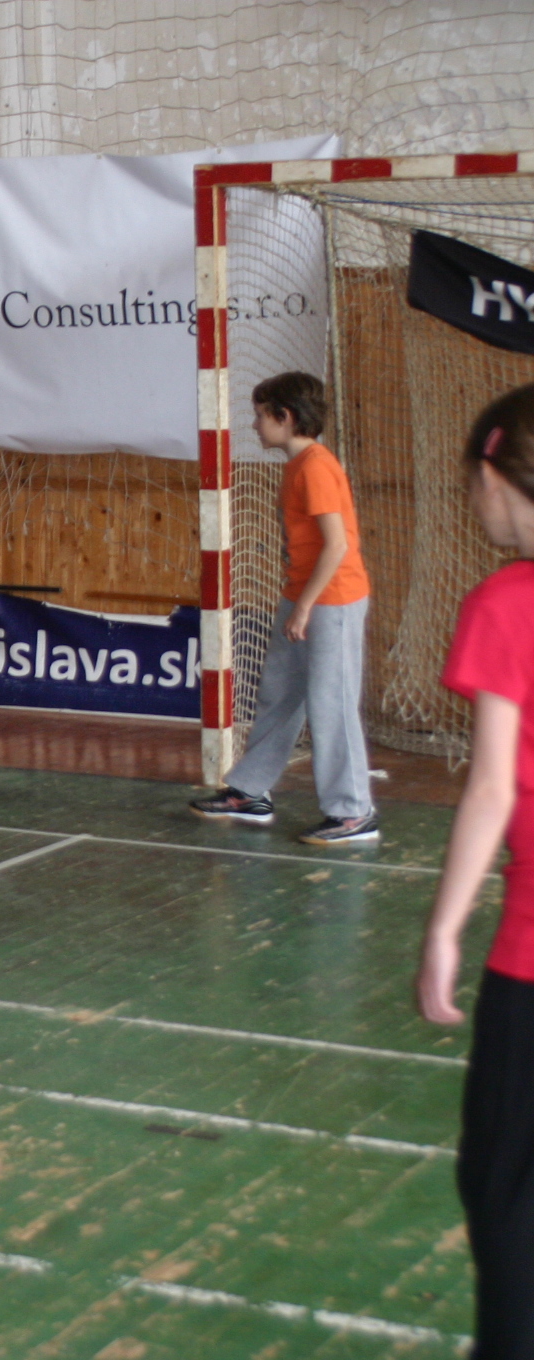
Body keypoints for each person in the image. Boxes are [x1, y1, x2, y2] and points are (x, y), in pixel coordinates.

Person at [416, 384, 534, 1359]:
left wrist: (444, 929)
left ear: (495, 475)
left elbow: (492, 788)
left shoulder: (506, 604)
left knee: (504, 1189)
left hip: (531, 962)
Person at [190, 372, 377, 845]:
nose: (255, 424)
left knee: (331, 705)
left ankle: (353, 812)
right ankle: (250, 791)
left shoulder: (315, 467)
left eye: (260, 415)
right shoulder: (297, 466)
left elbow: (336, 545)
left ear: (285, 416)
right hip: (303, 596)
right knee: (280, 693)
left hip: (331, 601)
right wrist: (297, 600)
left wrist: (304, 607)